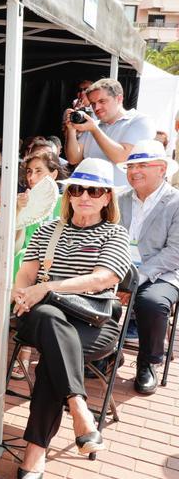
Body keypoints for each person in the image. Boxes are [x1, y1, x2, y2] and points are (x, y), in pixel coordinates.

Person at [12, 158, 131, 478]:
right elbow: (24, 275)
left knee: (54, 355)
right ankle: (79, 408)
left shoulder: (115, 234)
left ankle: (35, 451)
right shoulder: (49, 229)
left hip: (93, 322)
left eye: (95, 190)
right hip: (42, 317)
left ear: (107, 197)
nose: (85, 196)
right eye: (78, 188)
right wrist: (21, 292)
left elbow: (101, 279)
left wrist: (47, 288)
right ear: (69, 194)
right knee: (50, 318)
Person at [116, 140, 179, 395]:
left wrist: (138, 277)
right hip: (119, 268)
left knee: (152, 303)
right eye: (130, 166)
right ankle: (104, 353)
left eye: (142, 165)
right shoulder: (119, 198)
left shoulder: (175, 202)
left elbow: (175, 252)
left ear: (162, 169)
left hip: (162, 273)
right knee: (94, 293)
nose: (134, 171)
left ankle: (148, 362)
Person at [7, 151, 66, 378]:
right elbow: (13, 246)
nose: (32, 177)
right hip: (23, 262)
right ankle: (4, 345)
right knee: (14, 270)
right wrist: (19, 212)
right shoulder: (22, 201)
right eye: (29, 172)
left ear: (53, 174)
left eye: (39, 171)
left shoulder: (65, 203)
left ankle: (23, 354)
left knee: (30, 279)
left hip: (55, 266)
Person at [64, 78, 156, 187]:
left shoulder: (140, 121)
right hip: (93, 196)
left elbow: (123, 158)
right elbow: (73, 159)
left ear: (119, 98)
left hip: (123, 198)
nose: (96, 108)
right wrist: (71, 129)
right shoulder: (93, 125)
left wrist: (94, 129)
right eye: (93, 104)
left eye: (102, 101)